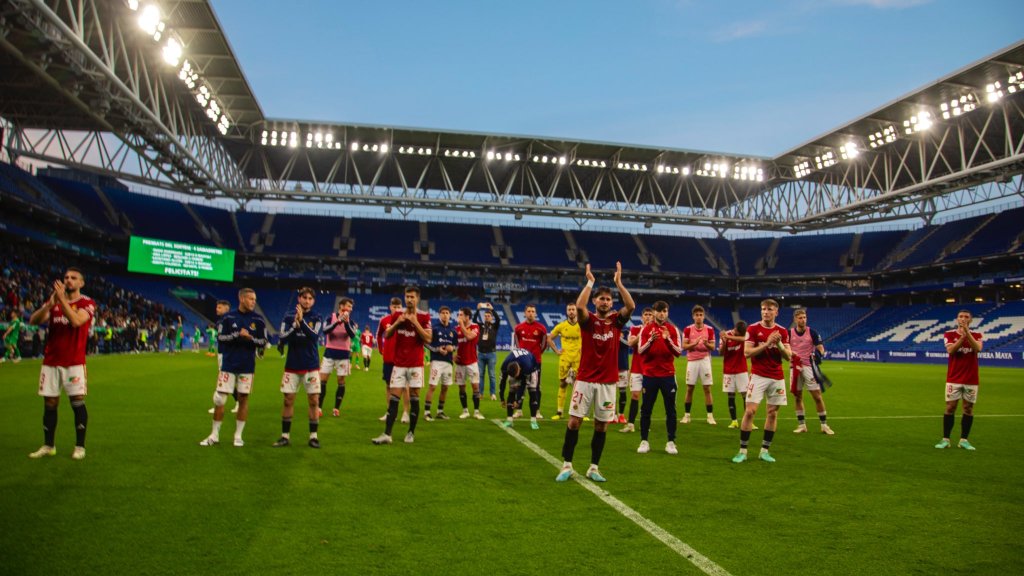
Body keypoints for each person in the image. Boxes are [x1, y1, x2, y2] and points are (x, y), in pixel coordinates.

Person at [556, 262, 635, 483]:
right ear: (595, 301)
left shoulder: (615, 322)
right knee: (574, 422)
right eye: (601, 298)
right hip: (585, 379)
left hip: (608, 382)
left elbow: (631, 306)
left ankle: (594, 467)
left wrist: (619, 283)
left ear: (611, 303)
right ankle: (567, 464)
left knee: (602, 425)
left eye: (608, 299)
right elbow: (579, 306)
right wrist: (590, 282)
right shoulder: (588, 321)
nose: (605, 302)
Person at [27, 267, 96, 460]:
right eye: (66, 277)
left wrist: (61, 301)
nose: (68, 280)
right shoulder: (55, 302)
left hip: (74, 362)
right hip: (51, 361)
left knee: (77, 402)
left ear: (81, 283)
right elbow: (33, 320)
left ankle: (80, 446)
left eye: (73, 277)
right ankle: (48, 445)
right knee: (50, 403)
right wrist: (49, 305)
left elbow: (76, 321)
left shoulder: (87, 303)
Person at [199, 288, 267, 448]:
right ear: (242, 299)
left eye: (254, 299)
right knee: (220, 400)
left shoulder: (258, 320)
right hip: (229, 365)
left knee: (243, 399)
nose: (253, 302)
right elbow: (221, 338)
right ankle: (214, 435)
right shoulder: (228, 318)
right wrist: (237, 335)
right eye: (250, 299)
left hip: (247, 366)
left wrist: (250, 338)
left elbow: (263, 341)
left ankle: (238, 436)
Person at [732, 299, 791, 464]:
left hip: (777, 377)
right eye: (763, 309)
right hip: (758, 376)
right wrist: (767, 343)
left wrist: (779, 343)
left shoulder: (782, 331)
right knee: (750, 411)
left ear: (776, 312)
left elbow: (788, 356)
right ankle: (743, 451)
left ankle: (764, 451)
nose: (766, 312)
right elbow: (747, 353)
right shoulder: (753, 329)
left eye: (770, 309)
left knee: (772, 413)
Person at [372, 286, 432, 445]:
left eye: (412, 297)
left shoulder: (424, 316)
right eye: (407, 296)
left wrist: (415, 323)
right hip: (398, 364)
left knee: (414, 398)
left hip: (416, 365)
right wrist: (397, 323)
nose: (409, 299)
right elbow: (387, 334)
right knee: (394, 399)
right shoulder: (397, 315)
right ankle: (387, 434)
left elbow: (428, 338)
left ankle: (411, 432)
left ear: (418, 299)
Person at [272, 287, 324, 448]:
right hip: (292, 365)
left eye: (310, 298)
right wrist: (295, 325)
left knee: (314, 401)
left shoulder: (317, 317)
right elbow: (282, 338)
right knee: (288, 400)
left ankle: (313, 437)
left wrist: (302, 322)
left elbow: (313, 337)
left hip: (311, 365)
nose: (307, 301)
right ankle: (285, 436)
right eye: (304, 297)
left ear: (313, 301)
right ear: (299, 299)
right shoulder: (288, 317)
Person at [937, 310, 983, 450]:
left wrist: (967, 333)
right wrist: (962, 338)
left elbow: (978, 348)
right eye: (961, 316)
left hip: (971, 379)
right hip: (954, 378)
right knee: (950, 407)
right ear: (957, 319)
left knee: (968, 409)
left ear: (971, 320)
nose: (963, 318)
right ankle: (945, 439)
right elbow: (951, 350)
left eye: (966, 317)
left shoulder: (977, 335)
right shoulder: (949, 334)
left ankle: (964, 440)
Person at [790, 309, 834, 435]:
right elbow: (785, 348)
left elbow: (821, 348)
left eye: (804, 317)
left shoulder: (812, 332)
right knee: (798, 397)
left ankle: (824, 425)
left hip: (809, 367)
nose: (803, 320)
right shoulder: (789, 333)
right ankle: (802, 425)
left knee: (817, 396)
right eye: (800, 318)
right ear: (795, 319)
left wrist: (818, 354)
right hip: (795, 368)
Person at [511, 304, 552, 419]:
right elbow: (517, 344)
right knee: (520, 385)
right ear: (525, 313)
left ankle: (537, 410)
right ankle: (519, 410)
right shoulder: (518, 328)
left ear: (535, 313)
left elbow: (543, 345)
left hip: (535, 362)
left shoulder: (541, 328)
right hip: (522, 363)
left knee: (536, 387)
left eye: (533, 311)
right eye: (529, 311)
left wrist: (536, 356)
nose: (531, 313)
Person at [321, 297, 356, 418]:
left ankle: (336, 408)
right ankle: (319, 407)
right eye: (348, 306)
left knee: (341, 381)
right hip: (329, 353)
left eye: (351, 307)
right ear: (341, 306)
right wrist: (337, 322)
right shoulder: (330, 318)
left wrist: (345, 323)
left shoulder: (351, 322)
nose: (350, 309)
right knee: (323, 380)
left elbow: (352, 335)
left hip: (343, 355)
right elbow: (325, 330)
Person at [620, 307, 653, 433]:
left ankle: (645, 424)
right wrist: (643, 331)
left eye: (650, 314)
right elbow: (631, 343)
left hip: (650, 369)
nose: (648, 316)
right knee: (635, 395)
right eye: (646, 314)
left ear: (653, 317)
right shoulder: (635, 329)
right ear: (642, 317)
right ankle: (630, 424)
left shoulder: (656, 330)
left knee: (647, 397)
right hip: (636, 368)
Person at [681, 305, 716, 425]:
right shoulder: (688, 329)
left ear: (704, 316)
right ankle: (687, 415)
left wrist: (706, 344)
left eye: (701, 315)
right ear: (693, 316)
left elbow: (713, 347)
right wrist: (694, 344)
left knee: (707, 388)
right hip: (692, 361)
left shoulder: (709, 329)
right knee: (690, 388)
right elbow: (684, 346)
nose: (699, 317)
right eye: (697, 315)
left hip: (705, 360)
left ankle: (710, 416)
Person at [376, 297, 410, 422]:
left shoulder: (406, 320)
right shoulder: (384, 320)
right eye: (394, 307)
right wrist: (381, 349)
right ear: (390, 307)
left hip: (402, 359)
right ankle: (390, 412)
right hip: (389, 358)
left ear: (402, 308)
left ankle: (405, 413)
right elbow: (379, 335)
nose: (396, 309)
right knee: (388, 386)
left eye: (398, 307)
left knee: (405, 386)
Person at [548, 303, 581, 421]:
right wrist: (556, 351)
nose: (571, 311)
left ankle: (579, 412)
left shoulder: (582, 325)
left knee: (579, 386)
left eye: (573, 309)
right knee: (563, 384)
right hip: (565, 359)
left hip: (578, 359)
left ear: (576, 311)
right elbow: (549, 338)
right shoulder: (561, 326)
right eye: (569, 309)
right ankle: (559, 412)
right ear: (567, 312)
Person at [424, 306, 458, 421]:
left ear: (450, 315)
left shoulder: (453, 330)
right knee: (432, 386)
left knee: (445, 387)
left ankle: (440, 411)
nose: (445, 315)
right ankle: (427, 412)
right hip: (436, 361)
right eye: (442, 313)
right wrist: (437, 349)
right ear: (439, 315)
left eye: (447, 313)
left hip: (448, 362)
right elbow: (426, 343)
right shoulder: (434, 328)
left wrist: (452, 348)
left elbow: (456, 345)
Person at [207, 300, 238, 415]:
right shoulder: (221, 321)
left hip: (226, 354)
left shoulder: (229, 320)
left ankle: (218, 405)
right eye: (217, 307)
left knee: (223, 379)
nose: (217, 309)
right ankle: (238, 402)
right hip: (222, 353)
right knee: (227, 380)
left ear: (226, 309)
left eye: (219, 307)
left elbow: (234, 335)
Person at [720, 320, 752, 429]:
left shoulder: (743, 336)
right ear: (735, 329)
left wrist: (729, 337)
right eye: (738, 332)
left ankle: (748, 421)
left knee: (745, 396)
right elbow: (721, 353)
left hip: (741, 370)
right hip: (728, 371)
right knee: (731, 396)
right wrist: (724, 342)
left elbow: (745, 339)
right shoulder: (726, 335)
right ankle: (734, 421)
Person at [454, 307, 485, 419]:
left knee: (475, 387)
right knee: (461, 388)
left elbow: (469, 336)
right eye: (458, 315)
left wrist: (462, 325)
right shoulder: (455, 329)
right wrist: (452, 354)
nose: (459, 317)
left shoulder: (475, 327)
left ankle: (476, 411)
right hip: (460, 363)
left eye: (461, 315)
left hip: (472, 363)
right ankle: (465, 411)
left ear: (467, 317)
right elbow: (452, 344)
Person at [499, 347, 541, 428]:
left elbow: (524, 385)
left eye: (516, 376)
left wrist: (518, 400)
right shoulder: (505, 365)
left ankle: (533, 420)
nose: (516, 378)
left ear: (520, 369)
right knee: (511, 391)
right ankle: (509, 420)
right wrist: (502, 398)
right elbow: (502, 382)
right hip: (520, 363)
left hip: (532, 369)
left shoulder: (527, 367)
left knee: (532, 392)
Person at [473, 302, 501, 400]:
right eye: (485, 316)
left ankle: (492, 394)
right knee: (480, 375)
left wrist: (492, 309)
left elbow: (498, 319)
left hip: (491, 354)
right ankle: (480, 393)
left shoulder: (494, 326)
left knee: (492, 375)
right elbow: (474, 320)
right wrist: (478, 310)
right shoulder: (480, 326)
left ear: (491, 317)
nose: (487, 317)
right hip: (480, 354)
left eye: (488, 316)